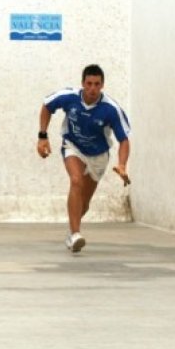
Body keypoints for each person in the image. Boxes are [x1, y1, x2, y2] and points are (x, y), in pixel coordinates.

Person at [37, 64, 131, 253]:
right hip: (73, 147)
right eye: (89, 83)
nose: (92, 88)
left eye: (97, 84)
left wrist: (122, 164)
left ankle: (72, 230)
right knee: (76, 181)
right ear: (83, 83)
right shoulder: (69, 97)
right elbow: (47, 106)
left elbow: (124, 141)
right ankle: (75, 234)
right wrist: (42, 136)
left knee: (85, 202)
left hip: (99, 156)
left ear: (102, 85)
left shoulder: (111, 109)